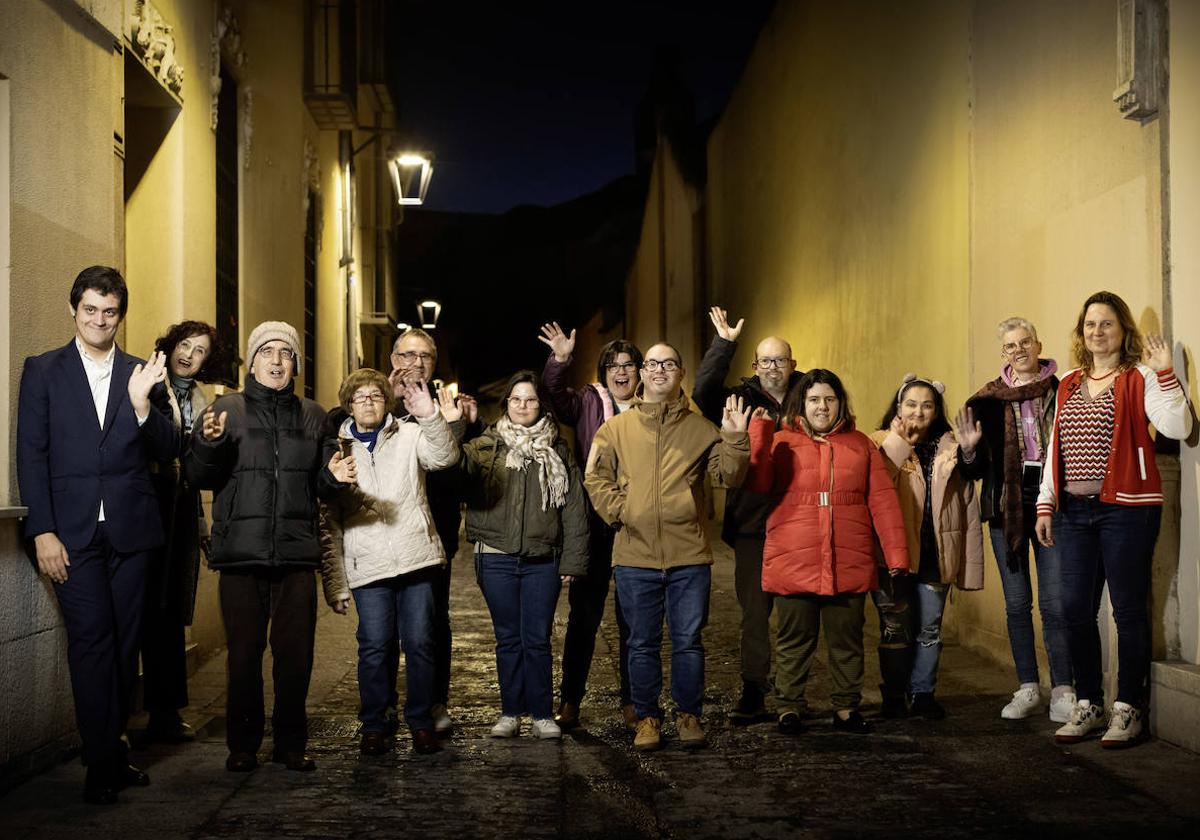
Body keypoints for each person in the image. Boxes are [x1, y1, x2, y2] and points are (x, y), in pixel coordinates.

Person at [16, 266, 178, 804]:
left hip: (132, 531)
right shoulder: (42, 370)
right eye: (90, 310)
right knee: (90, 641)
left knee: (124, 645)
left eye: (109, 312)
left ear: (120, 316)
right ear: (74, 310)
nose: (99, 320)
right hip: (71, 533)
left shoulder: (142, 371)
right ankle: (101, 761)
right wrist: (42, 530)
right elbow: (31, 455)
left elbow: (167, 448)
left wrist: (139, 406)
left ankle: (111, 751)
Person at [1036, 291, 1191, 748]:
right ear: (1081, 333)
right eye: (1090, 325)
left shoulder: (1139, 377)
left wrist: (1165, 372)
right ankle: (1089, 702)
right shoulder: (1066, 382)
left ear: (1123, 330)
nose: (1097, 332)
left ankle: (1128, 708)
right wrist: (1046, 503)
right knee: (1074, 611)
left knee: (1126, 612)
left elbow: (1179, 427)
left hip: (1127, 511)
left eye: (1106, 323)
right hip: (1073, 513)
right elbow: (1054, 449)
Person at [186, 321, 337, 773]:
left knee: (295, 658)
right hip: (240, 555)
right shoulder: (223, 410)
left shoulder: (314, 415)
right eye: (267, 352)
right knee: (244, 656)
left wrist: (337, 476)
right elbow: (198, 476)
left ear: (295, 363)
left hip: (295, 555)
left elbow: (326, 482)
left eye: (286, 353)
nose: (277, 361)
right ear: (252, 362)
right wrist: (209, 445)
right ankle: (243, 745)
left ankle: (291, 744)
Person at [586, 343, 752, 751]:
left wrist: (735, 437)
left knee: (688, 641)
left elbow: (730, 477)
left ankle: (688, 713)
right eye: (653, 363)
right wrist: (624, 512)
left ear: (681, 373)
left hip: (688, 556)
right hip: (634, 555)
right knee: (640, 642)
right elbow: (596, 478)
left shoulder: (701, 428)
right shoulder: (615, 429)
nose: (660, 370)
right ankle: (647, 718)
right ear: (643, 372)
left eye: (670, 364)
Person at [747, 370, 909, 735]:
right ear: (801, 403)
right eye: (815, 399)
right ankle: (789, 706)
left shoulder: (861, 445)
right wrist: (759, 436)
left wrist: (896, 555)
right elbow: (758, 483)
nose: (822, 406)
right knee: (793, 640)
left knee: (847, 640)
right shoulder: (781, 442)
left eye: (830, 399)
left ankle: (846, 707)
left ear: (840, 403)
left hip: (848, 559)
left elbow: (883, 502)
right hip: (794, 559)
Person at [319, 368, 459, 755]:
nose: (368, 401)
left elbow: (445, 458)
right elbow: (329, 519)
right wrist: (336, 582)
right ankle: (375, 724)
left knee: (420, 643)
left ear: (387, 402)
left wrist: (430, 416)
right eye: (360, 396)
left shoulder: (411, 434)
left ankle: (420, 720)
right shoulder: (335, 449)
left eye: (376, 396)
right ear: (348, 403)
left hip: (416, 557)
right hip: (369, 564)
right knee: (375, 646)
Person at [460, 371, 589, 740]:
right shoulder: (488, 443)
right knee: (507, 638)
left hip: (541, 559)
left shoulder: (558, 449)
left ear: (540, 405)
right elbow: (456, 469)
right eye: (516, 399)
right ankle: (510, 712)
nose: (523, 406)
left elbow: (573, 508)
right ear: (506, 405)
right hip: (495, 556)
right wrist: (457, 427)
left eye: (530, 399)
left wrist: (573, 561)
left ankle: (541, 713)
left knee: (538, 638)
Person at [692, 307, 803, 723]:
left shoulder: (809, 393)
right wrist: (724, 344)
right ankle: (754, 690)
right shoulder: (741, 397)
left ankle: (793, 693)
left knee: (797, 614)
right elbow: (703, 392)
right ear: (755, 366)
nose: (773, 368)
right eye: (766, 361)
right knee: (755, 614)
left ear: (793, 363)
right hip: (753, 525)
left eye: (781, 360)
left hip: (799, 521)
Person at [966, 317, 1074, 724]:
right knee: (1016, 603)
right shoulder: (985, 402)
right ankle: (1028, 685)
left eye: (1025, 342)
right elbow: (973, 472)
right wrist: (970, 451)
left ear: (1039, 344)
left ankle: (1063, 688)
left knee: (1054, 603)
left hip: (1051, 504)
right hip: (1004, 510)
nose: (1019, 350)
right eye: (1010, 346)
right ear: (1003, 354)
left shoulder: (1065, 390)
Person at [538, 321, 639, 729]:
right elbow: (555, 398)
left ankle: (636, 703)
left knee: (635, 617)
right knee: (584, 616)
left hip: (637, 519)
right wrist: (560, 360)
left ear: (640, 371)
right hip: (595, 519)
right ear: (604, 371)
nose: (621, 371)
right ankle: (571, 701)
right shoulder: (588, 401)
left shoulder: (653, 405)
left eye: (629, 365)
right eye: (613, 365)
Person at [870, 374, 985, 720]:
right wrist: (898, 443)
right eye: (911, 404)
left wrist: (968, 451)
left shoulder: (951, 446)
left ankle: (922, 693)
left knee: (929, 628)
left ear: (936, 411)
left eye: (927, 405)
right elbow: (875, 487)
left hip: (936, 552)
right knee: (895, 627)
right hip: (894, 553)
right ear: (898, 406)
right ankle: (893, 695)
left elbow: (968, 499)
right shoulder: (879, 442)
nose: (918, 412)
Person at [386, 328, 480, 734]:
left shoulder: (450, 407)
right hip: (383, 528)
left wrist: (466, 428)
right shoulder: (373, 398)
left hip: (433, 530)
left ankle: (435, 701)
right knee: (382, 625)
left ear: (434, 363)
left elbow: (460, 475)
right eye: (408, 354)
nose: (416, 362)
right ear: (394, 359)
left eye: (425, 356)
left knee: (432, 621)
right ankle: (385, 703)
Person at [141, 320, 229, 744]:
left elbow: (198, 464)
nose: (188, 354)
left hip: (180, 507)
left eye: (199, 351)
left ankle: (165, 712)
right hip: (146, 503)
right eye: (184, 344)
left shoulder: (201, 398)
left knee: (171, 611)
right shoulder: (148, 380)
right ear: (171, 343)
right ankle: (122, 716)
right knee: (142, 609)